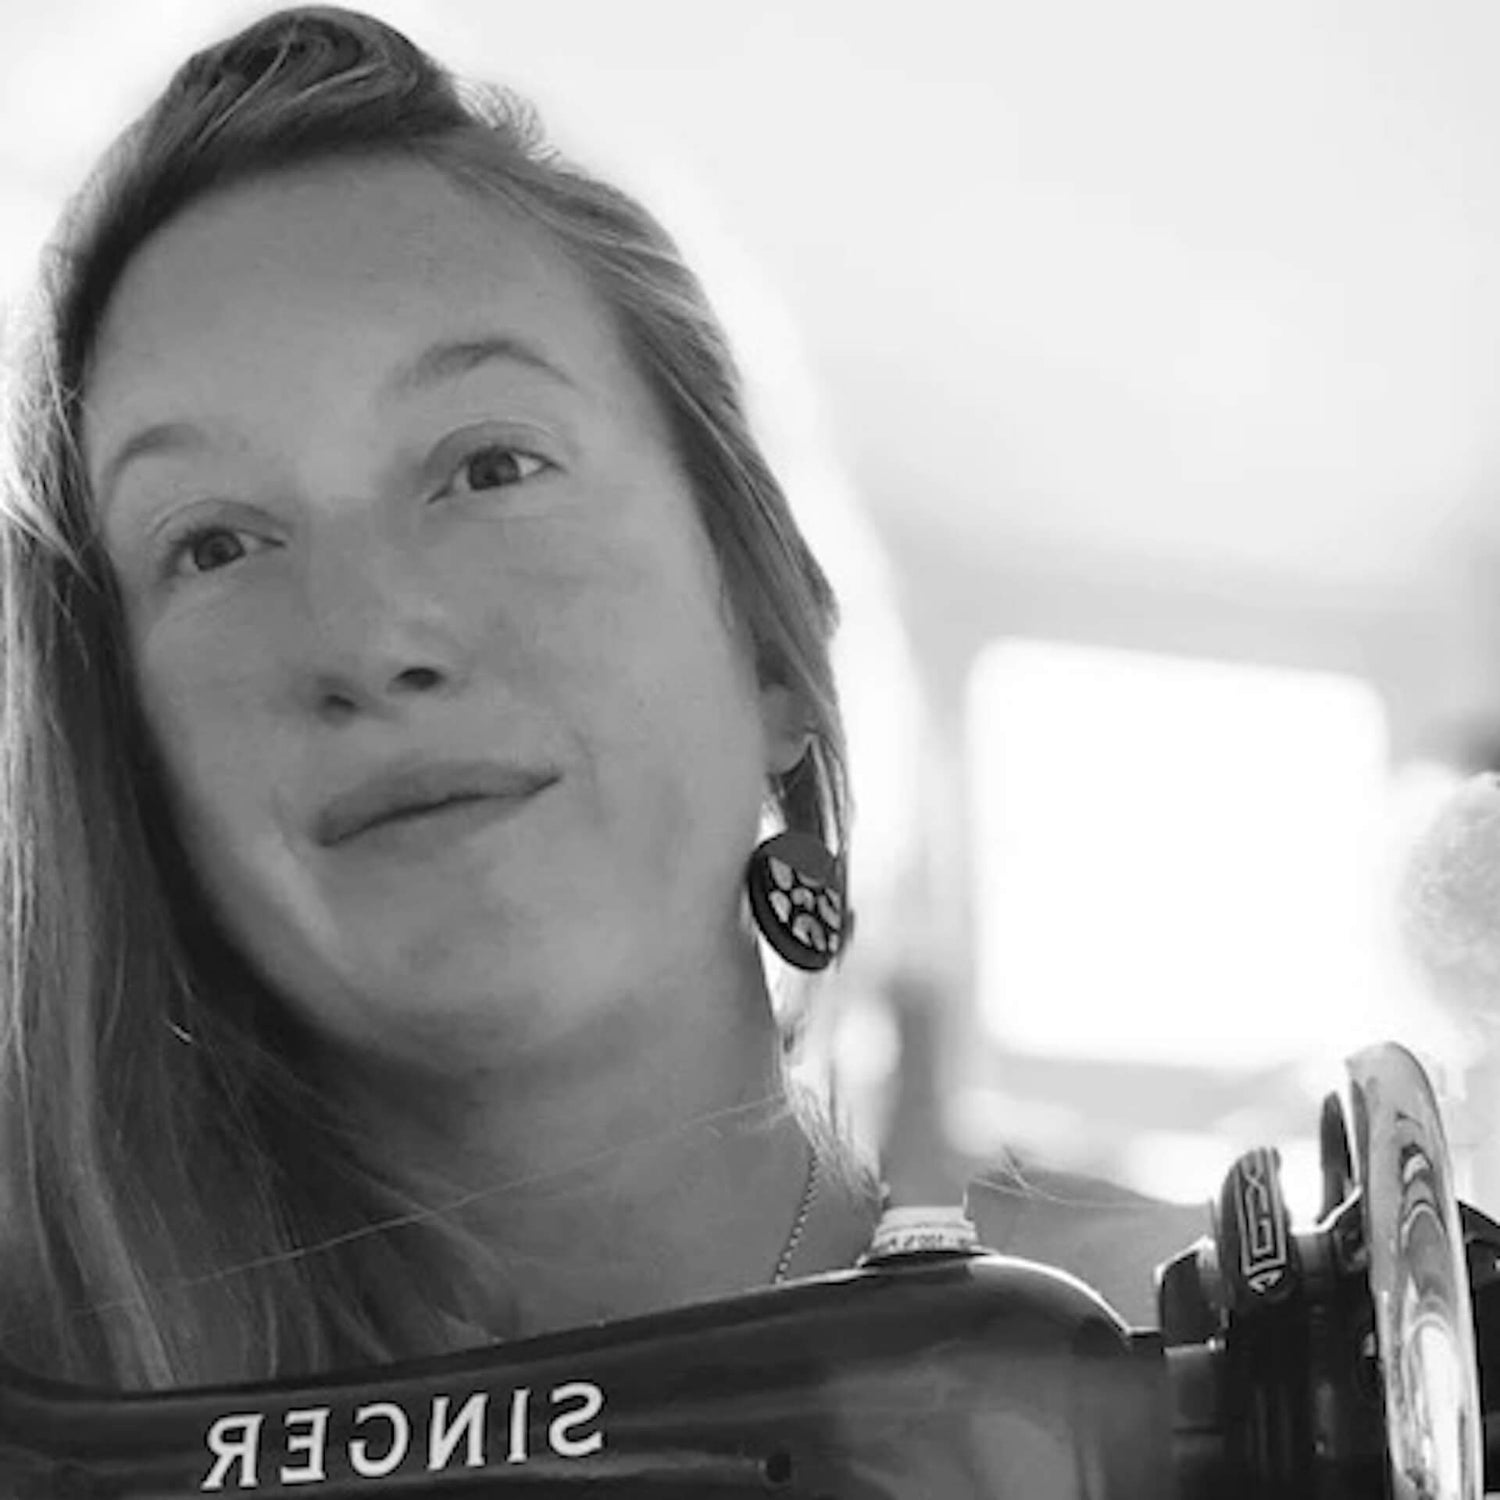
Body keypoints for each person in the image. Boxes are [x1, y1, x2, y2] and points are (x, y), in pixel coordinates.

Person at [0, 4, 1203, 1394]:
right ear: (123, 757)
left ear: (770, 645)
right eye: (213, 544)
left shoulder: (1216, 1366)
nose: (372, 638)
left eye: (490, 468)